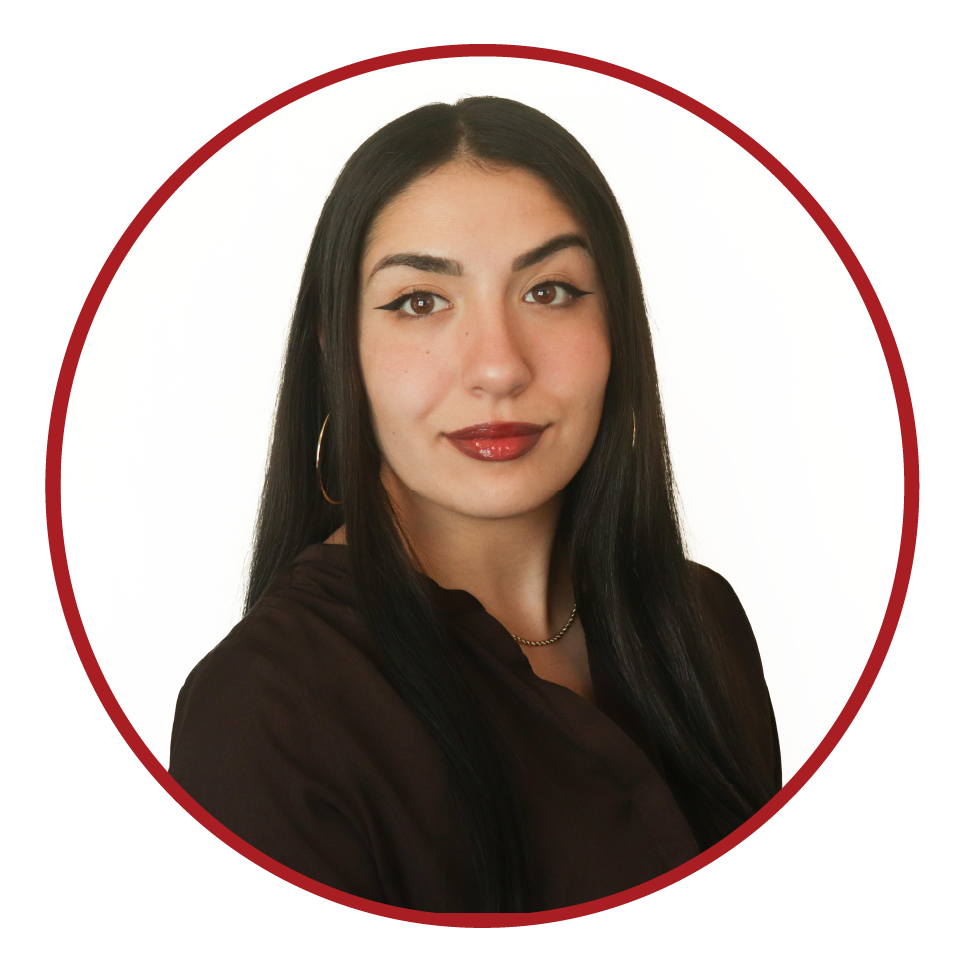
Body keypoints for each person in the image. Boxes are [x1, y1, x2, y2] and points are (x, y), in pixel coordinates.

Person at [169, 96, 781, 914]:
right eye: (420, 301)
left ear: (618, 330)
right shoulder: (261, 716)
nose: (498, 367)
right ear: (336, 349)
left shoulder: (701, 621)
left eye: (550, 291)